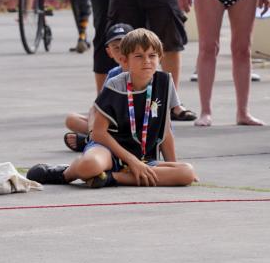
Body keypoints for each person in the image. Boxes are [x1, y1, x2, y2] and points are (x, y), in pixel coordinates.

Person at [27, 29, 198, 188]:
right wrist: (131, 160)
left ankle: (110, 178)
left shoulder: (165, 83)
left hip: (144, 157)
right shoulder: (115, 85)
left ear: (160, 58)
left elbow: (165, 130)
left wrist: (173, 165)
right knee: (90, 165)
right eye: (139, 56)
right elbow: (98, 132)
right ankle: (65, 174)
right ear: (124, 60)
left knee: (186, 173)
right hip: (110, 150)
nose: (147, 61)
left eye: (152, 55)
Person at [63, 23, 130, 151]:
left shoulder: (144, 71)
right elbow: (98, 107)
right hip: (113, 124)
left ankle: (91, 141)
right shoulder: (113, 74)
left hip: (135, 125)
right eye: (116, 48)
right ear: (109, 52)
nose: (122, 53)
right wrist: (93, 128)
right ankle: (96, 138)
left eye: (125, 47)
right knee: (71, 119)